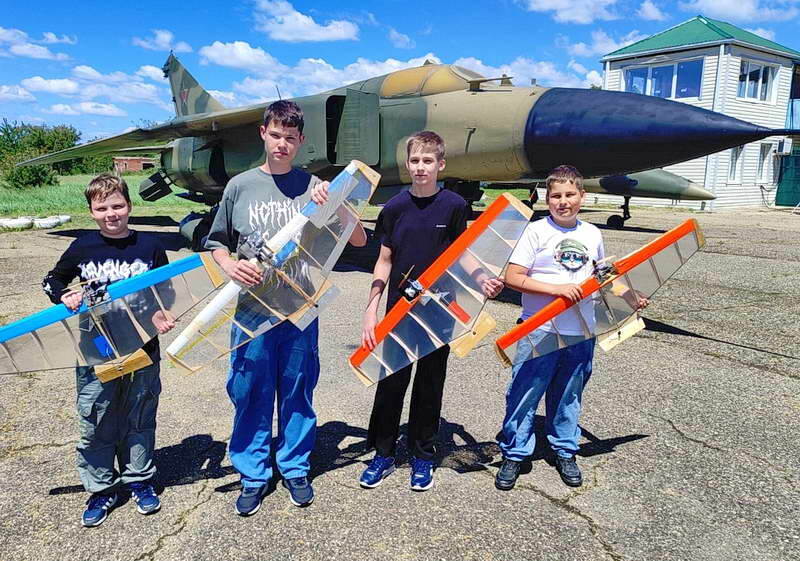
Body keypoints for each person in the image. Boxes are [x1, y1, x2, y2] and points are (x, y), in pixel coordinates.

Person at [205, 100, 367, 516]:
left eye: (290, 138)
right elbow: (216, 242)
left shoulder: (313, 185)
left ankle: (295, 466)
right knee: (250, 390)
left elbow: (358, 239)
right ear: (263, 133)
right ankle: (253, 473)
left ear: (300, 141)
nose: (282, 144)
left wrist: (335, 200)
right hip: (252, 309)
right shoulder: (239, 186)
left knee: (297, 388)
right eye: (275, 135)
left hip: (300, 308)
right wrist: (229, 265)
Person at [359, 130, 503, 491]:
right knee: (391, 384)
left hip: (439, 311)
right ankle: (383, 454)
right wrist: (371, 310)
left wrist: (483, 278)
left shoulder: (454, 205)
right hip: (399, 313)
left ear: (440, 164)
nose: (420, 167)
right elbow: (384, 261)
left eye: (428, 161)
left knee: (429, 385)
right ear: (407, 164)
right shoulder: (394, 208)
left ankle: (423, 455)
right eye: (415, 160)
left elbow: (461, 253)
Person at [494, 165, 647, 491]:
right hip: (540, 329)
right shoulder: (536, 232)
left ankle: (565, 449)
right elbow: (513, 277)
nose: (563, 202)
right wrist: (557, 291)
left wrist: (630, 297)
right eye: (556, 196)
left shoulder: (592, 233)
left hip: (581, 331)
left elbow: (602, 276)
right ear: (547, 198)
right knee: (524, 393)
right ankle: (515, 453)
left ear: (582, 196)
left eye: (569, 195)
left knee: (569, 394)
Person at [42, 173, 175, 527]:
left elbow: (165, 290)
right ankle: (102, 488)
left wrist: (161, 314)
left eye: (117, 206)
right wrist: (64, 295)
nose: (111, 214)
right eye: (101, 208)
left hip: (142, 345)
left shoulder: (150, 246)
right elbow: (52, 280)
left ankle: (139, 480)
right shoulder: (83, 247)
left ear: (129, 206)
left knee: (139, 414)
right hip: (96, 348)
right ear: (91, 211)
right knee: (97, 416)